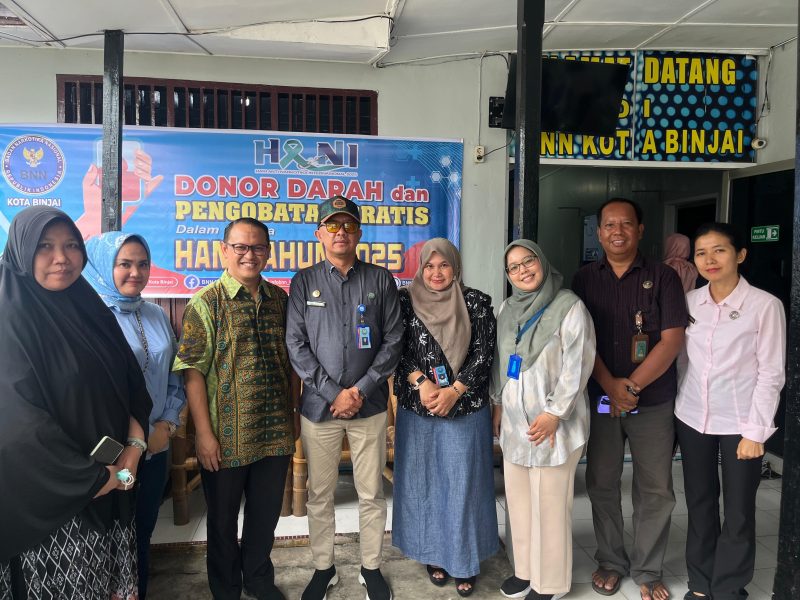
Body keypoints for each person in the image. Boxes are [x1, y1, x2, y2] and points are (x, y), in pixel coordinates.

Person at [0, 206, 151, 599]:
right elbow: (15, 423)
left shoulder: (87, 307)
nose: (61, 258)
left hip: (112, 485)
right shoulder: (9, 318)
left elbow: (130, 383)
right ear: (22, 251)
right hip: (54, 504)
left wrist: (135, 447)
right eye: (44, 246)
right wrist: (93, 480)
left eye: (71, 245)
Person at [173, 217, 299, 600]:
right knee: (223, 521)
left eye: (258, 247)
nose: (249, 255)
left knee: (265, 516)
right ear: (224, 251)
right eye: (241, 247)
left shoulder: (281, 301)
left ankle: (258, 580)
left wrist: (293, 413)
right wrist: (203, 434)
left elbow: (293, 363)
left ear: (268, 252)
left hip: (274, 431)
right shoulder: (205, 303)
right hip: (224, 438)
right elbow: (192, 371)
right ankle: (226, 589)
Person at [286, 196, 403, 600]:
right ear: (319, 234)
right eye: (332, 226)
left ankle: (371, 568)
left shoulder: (380, 279)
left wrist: (360, 390)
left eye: (349, 226)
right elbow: (296, 344)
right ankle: (324, 568)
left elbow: (393, 340)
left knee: (371, 493)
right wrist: (335, 393)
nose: (341, 232)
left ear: (359, 234)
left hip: (369, 406)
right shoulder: (303, 282)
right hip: (320, 408)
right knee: (320, 495)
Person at [572, 198, 688, 600]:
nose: (617, 231)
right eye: (609, 225)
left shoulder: (663, 277)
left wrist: (631, 387)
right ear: (599, 232)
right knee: (602, 482)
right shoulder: (584, 279)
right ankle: (610, 561)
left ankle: (648, 569)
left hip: (652, 401)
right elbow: (580, 341)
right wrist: (610, 385)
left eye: (625, 224)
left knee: (655, 489)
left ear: (640, 229)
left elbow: (672, 340)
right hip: (602, 399)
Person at [676, 222, 786, 599]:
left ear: (740, 255)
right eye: (701, 252)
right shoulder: (690, 302)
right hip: (692, 417)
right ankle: (700, 584)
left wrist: (756, 431)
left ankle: (728, 588)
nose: (710, 259)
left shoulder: (765, 306)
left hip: (740, 422)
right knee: (700, 503)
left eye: (719, 250)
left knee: (738, 509)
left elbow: (772, 372)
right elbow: (682, 361)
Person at [392, 238, 498, 597]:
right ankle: (433, 554)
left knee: (464, 486)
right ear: (420, 269)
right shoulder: (404, 302)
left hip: (465, 408)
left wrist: (455, 391)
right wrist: (421, 383)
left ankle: (464, 560)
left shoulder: (476, 302)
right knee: (425, 484)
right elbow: (396, 350)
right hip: (418, 407)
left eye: (444, 265)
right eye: (429, 266)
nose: (436, 273)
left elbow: (484, 354)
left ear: (456, 267)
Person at [83, 232, 187, 599]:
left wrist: (167, 424)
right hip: (111, 454)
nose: (135, 272)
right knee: (105, 533)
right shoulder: (87, 316)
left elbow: (174, 377)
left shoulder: (154, 313)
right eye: (124, 264)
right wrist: (134, 440)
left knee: (141, 529)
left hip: (154, 448)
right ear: (102, 266)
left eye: (143, 264)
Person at [491, 239, 596, 600]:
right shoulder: (507, 309)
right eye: (514, 267)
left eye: (528, 261)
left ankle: (549, 583)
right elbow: (501, 362)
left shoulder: (569, 306)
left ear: (542, 261)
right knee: (519, 503)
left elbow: (578, 365)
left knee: (550, 506)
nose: (522, 271)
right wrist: (498, 404)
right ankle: (524, 570)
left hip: (556, 427)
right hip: (515, 426)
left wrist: (554, 413)